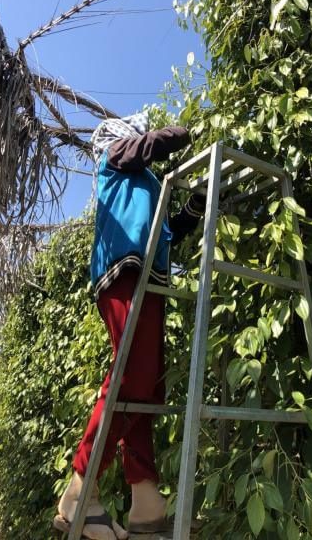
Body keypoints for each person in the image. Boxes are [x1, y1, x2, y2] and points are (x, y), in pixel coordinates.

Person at [55, 113, 205, 540]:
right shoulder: (115, 155)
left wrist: (191, 211)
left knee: (146, 386)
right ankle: (78, 492)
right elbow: (156, 143)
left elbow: (164, 231)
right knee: (130, 378)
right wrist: (182, 130)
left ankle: (145, 501)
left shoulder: (143, 179)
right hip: (124, 274)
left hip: (148, 279)